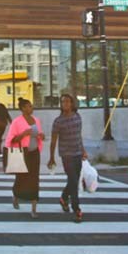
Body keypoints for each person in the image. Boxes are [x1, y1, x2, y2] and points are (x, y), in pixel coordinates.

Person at [48, 93, 87, 223]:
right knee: (74, 182)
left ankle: (64, 198)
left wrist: (83, 151)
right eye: (62, 102)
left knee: (73, 181)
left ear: (71, 103)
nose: (64, 104)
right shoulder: (58, 121)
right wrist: (51, 158)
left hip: (77, 153)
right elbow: (53, 141)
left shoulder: (77, 117)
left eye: (67, 101)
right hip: (66, 155)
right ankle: (77, 210)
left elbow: (79, 136)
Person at [5, 98, 45, 218]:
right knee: (21, 177)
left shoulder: (36, 120)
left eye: (31, 106)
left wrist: (41, 136)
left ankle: (34, 208)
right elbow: (11, 139)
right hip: (22, 153)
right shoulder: (16, 122)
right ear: (23, 108)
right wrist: (24, 134)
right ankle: (16, 196)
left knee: (34, 178)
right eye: (28, 106)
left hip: (35, 152)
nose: (31, 108)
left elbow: (40, 135)